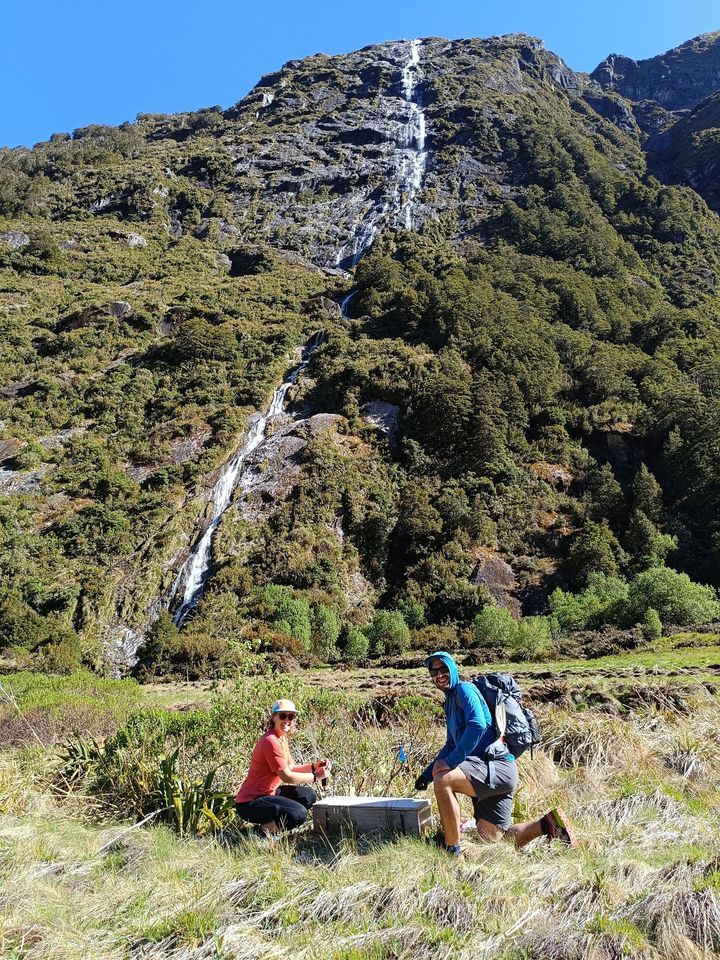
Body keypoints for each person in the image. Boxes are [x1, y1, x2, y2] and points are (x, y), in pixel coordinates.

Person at [416, 651, 575, 856]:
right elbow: (450, 744)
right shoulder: (450, 702)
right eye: (434, 672)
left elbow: (477, 725)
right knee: (490, 838)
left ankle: (452, 851)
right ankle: (549, 824)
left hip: (495, 766)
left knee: (444, 779)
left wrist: (451, 762)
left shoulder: (465, 690)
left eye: (444, 669)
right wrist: (426, 775)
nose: (439, 675)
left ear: (453, 669)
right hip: (489, 770)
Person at [235, 699, 331, 836]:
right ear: (274, 717)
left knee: (308, 796)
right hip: (249, 802)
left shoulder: (281, 738)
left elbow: (290, 767)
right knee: (297, 814)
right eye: (282, 716)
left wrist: (313, 766)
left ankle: (270, 824)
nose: (287, 720)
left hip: (268, 793)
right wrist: (316, 776)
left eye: (291, 716)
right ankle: (260, 833)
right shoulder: (270, 741)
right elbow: (287, 777)